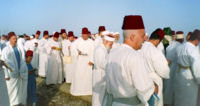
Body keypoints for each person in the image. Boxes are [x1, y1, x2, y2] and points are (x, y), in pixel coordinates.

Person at [104, 15, 156, 106]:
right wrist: (155, 88)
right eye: (142, 36)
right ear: (132, 37)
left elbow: (108, 86)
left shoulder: (111, 54)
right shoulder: (134, 56)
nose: (144, 40)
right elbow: (144, 89)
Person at [141, 28, 170, 106]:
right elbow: (164, 72)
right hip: (154, 83)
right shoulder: (155, 51)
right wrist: (167, 64)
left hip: (142, 81)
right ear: (158, 41)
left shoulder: (140, 47)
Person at [1, 32, 28, 106]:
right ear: (9, 39)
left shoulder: (19, 48)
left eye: (16, 38)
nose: (15, 40)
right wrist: (6, 75)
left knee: (19, 91)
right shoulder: (6, 50)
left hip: (19, 73)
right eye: (13, 38)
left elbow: (22, 60)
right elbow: (3, 63)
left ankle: (18, 103)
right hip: (11, 75)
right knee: (11, 92)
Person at [174, 30, 200, 106]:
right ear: (196, 40)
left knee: (179, 99)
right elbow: (196, 68)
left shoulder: (180, 47)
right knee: (188, 101)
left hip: (178, 74)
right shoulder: (193, 49)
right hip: (188, 77)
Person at [70, 27, 94, 96]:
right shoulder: (77, 41)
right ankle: (77, 91)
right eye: (84, 34)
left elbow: (94, 51)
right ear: (82, 34)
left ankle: (87, 91)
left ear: (88, 34)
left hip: (88, 62)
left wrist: (92, 60)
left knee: (87, 77)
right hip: (79, 62)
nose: (85, 36)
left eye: (86, 34)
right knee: (78, 76)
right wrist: (77, 52)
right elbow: (72, 48)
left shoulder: (91, 42)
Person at [92, 34, 115, 106]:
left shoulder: (104, 49)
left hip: (103, 75)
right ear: (106, 41)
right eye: (111, 44)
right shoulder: (100, 50)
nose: (111, 46)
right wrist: (113, 65)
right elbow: (102, 63)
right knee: (98, 97)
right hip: (99, 75)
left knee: (103, 96)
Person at [164, 31, 184, 106]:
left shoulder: (170, 46)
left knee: (168, 87)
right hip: (177, 68)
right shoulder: (181, 47)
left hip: (169, 67)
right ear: (182, 39)